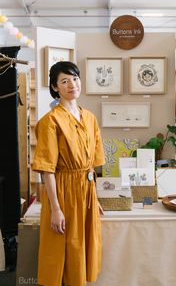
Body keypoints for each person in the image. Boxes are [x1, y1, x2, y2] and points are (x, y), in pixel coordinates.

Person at [32, 61, 105, 286]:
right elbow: (47, 169)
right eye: (64, 81)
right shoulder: (50, 122)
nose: (71, 84)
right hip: (63, 191)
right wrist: (55, 208)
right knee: (62, 248)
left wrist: (95, 196)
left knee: (83, 247)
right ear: (55, 87)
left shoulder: (90, 118)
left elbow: (92, 164)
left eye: (74, 78)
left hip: (86, 190)